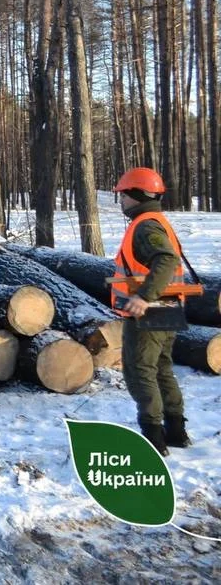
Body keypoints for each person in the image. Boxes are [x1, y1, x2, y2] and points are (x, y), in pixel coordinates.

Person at [110, 167, 194, 456]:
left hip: (152, 311)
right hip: (168, 306)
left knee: (140, 371)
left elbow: (166, 260)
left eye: (123, 195)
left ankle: (153, 437)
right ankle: (176, 431)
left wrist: (144, 297)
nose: (121, 200)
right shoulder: (156, 221)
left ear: (137, 195)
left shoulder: (145, 226)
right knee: (161, 369)